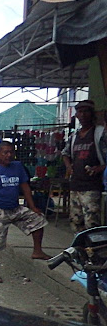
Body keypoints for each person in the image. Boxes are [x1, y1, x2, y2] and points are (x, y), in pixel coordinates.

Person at [0, 141, 49, 283]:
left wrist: (32, 207)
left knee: (38, 220)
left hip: (15, 208)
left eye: (11, 152)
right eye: (5, 152)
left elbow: (25, 188)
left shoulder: (17, 167)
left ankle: (37, 251)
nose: (9, 155)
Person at [62, 99, 107, 233]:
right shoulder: (74, 135)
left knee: (91, 222)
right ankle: (80, 250)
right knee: (76, 222)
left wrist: (100, 167)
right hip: (75, 185)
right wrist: (69, 166)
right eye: (79, 112)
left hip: (92, 186)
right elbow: (65, 153)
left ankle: (93, 252)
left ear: (92, 114)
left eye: (85, 112)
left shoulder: (100, 133)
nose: (82, 115)